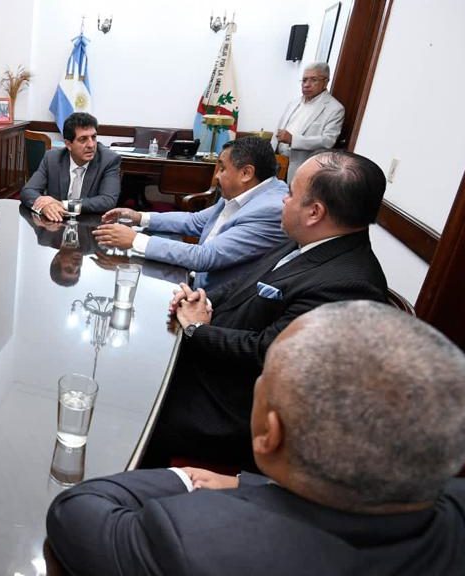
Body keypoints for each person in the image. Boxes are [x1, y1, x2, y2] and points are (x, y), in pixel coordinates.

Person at [47, 301, 465, 575]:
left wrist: (184, 478)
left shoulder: (195, 543)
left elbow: (77, 511)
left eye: (265, 381)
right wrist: (249, 483)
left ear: (268, 434)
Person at [152, 150, 389, 467]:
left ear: (315, 212)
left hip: (235, 406)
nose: (283, 201)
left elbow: (266, 353)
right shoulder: (307, 240)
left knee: (135, 401)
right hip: (213, 361)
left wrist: (197, 330)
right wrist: (201, 299)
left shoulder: (348, 286)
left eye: (291, 194)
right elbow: (244, 284)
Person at [94, 137, 289, 290]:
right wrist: (139, 217)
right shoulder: (247, 191)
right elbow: (195, 221)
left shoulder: (270, 209)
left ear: (246, 173)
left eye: (222, 168)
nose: (217, 176)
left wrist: (135, 240)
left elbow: (205, 256)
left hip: (215, 300)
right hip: (196, 279)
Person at [20, 112, 121, 221]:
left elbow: (107, 200)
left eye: (93, 137)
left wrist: (63, 204)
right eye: (83, 139)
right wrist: (44, 206)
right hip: (56, 224)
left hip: (90, 226)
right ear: (68, 144)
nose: (91, 145)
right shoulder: (52, 159)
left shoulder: (108, 160)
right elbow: (28, 191)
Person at [273, 62, 345, 182]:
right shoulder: (294, 103)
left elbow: (328, 141)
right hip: (277, 161)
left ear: (326, 81)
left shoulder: (335, 109)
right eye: (304, 80)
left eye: (313, 80)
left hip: (301, 166)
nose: (306, 85)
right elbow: (279, 130)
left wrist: (293, 140)